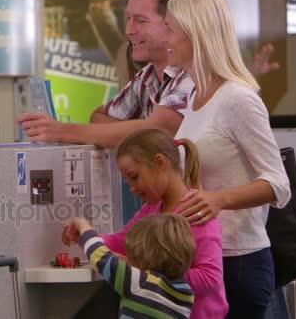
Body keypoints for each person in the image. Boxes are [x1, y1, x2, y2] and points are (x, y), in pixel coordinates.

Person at [17, 0, 279, 149]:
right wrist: (137, 133)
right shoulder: (148, 76)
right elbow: (100, 118)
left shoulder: (196, 75)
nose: (129, 31)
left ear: (174, 24)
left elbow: (159, 128)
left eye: (141, 21)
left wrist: (64, 131)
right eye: (128, 18)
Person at [164, 0, 291, 318]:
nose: (166, 38)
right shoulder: (194, 97)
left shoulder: (238, 99)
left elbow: (279, 184)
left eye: (170, 29)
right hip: (204, 257)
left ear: (195, 34)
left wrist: (219, 199)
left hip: (240, 262)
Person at [64, 128, 228, 318]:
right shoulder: (150, 210)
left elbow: (210, 279)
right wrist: (85, 236)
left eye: (135, 177)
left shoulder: (197, 211)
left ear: (160, 163)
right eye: (128, 181)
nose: (132, 188)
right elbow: (120, 241)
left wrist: (144, 271)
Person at [70, 213, 195, 318]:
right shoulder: (185, 292)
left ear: (144, 259)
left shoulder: (140, 283)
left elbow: (101, 258)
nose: (128, 262)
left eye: (132, 258)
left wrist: (83, 227)